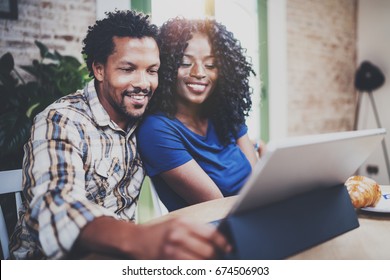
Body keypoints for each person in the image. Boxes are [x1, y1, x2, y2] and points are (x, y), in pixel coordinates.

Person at [8, 10, 230, 260]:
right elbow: (57, 206)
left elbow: (196, 136)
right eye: (128, 69)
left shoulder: (146, 122)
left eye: (151, 70)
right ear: (99, 69)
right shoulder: (61, 120)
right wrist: (138, 237)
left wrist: (256, 149)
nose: (144, 83)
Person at [137, 17, 258, 212]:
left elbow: (255, 181)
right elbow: (217, 207)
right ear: (166, 66)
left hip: (255, 217)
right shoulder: (156, 130)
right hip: (215, 233)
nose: (199, 72)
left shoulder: (226, 115)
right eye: (185, 63)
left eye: (210, 65)